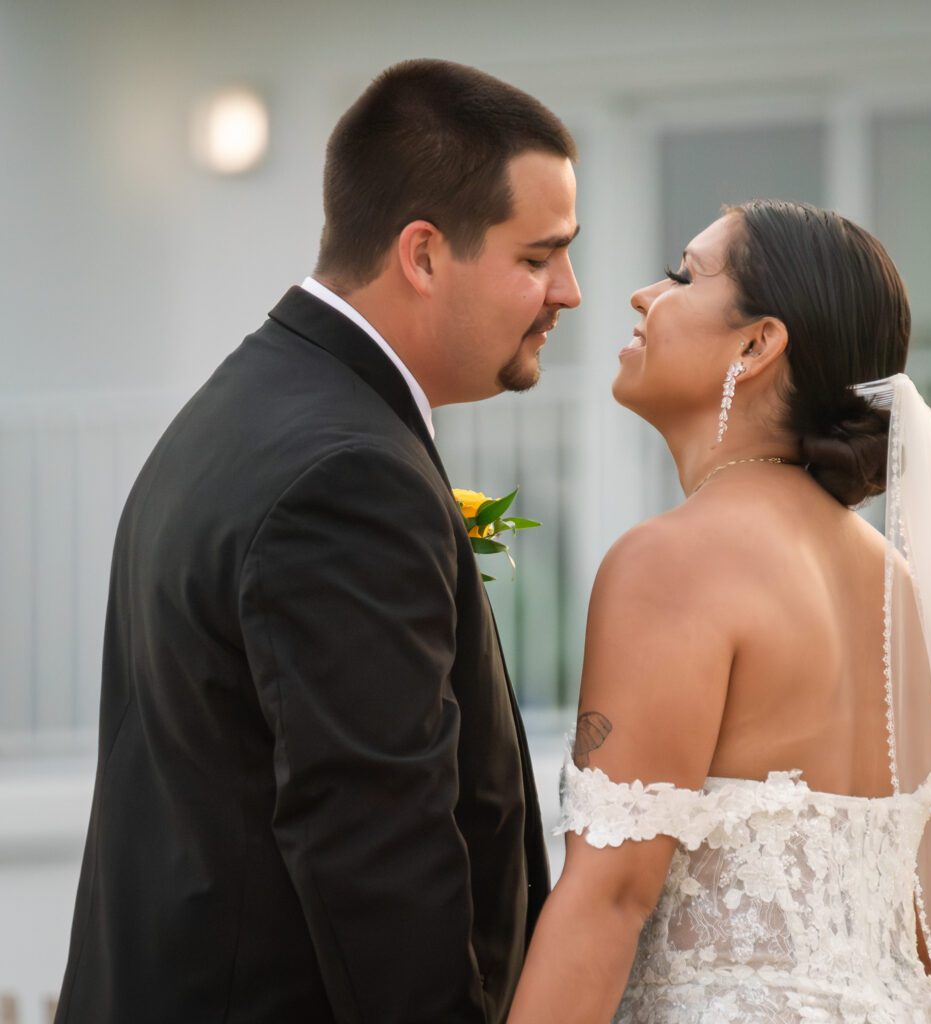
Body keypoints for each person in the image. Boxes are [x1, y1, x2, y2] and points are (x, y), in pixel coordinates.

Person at [56, 59, 580, 1024]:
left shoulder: (246, 409)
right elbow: (379, 855)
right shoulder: (349, 476)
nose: (571, 293)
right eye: (538, 259)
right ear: (423, 255)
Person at [508, 200, 931, 1022]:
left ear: (757, 344)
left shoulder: (673, 562)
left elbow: (609, 898)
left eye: (683, 275)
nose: (644, 295)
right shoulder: (903, 592)